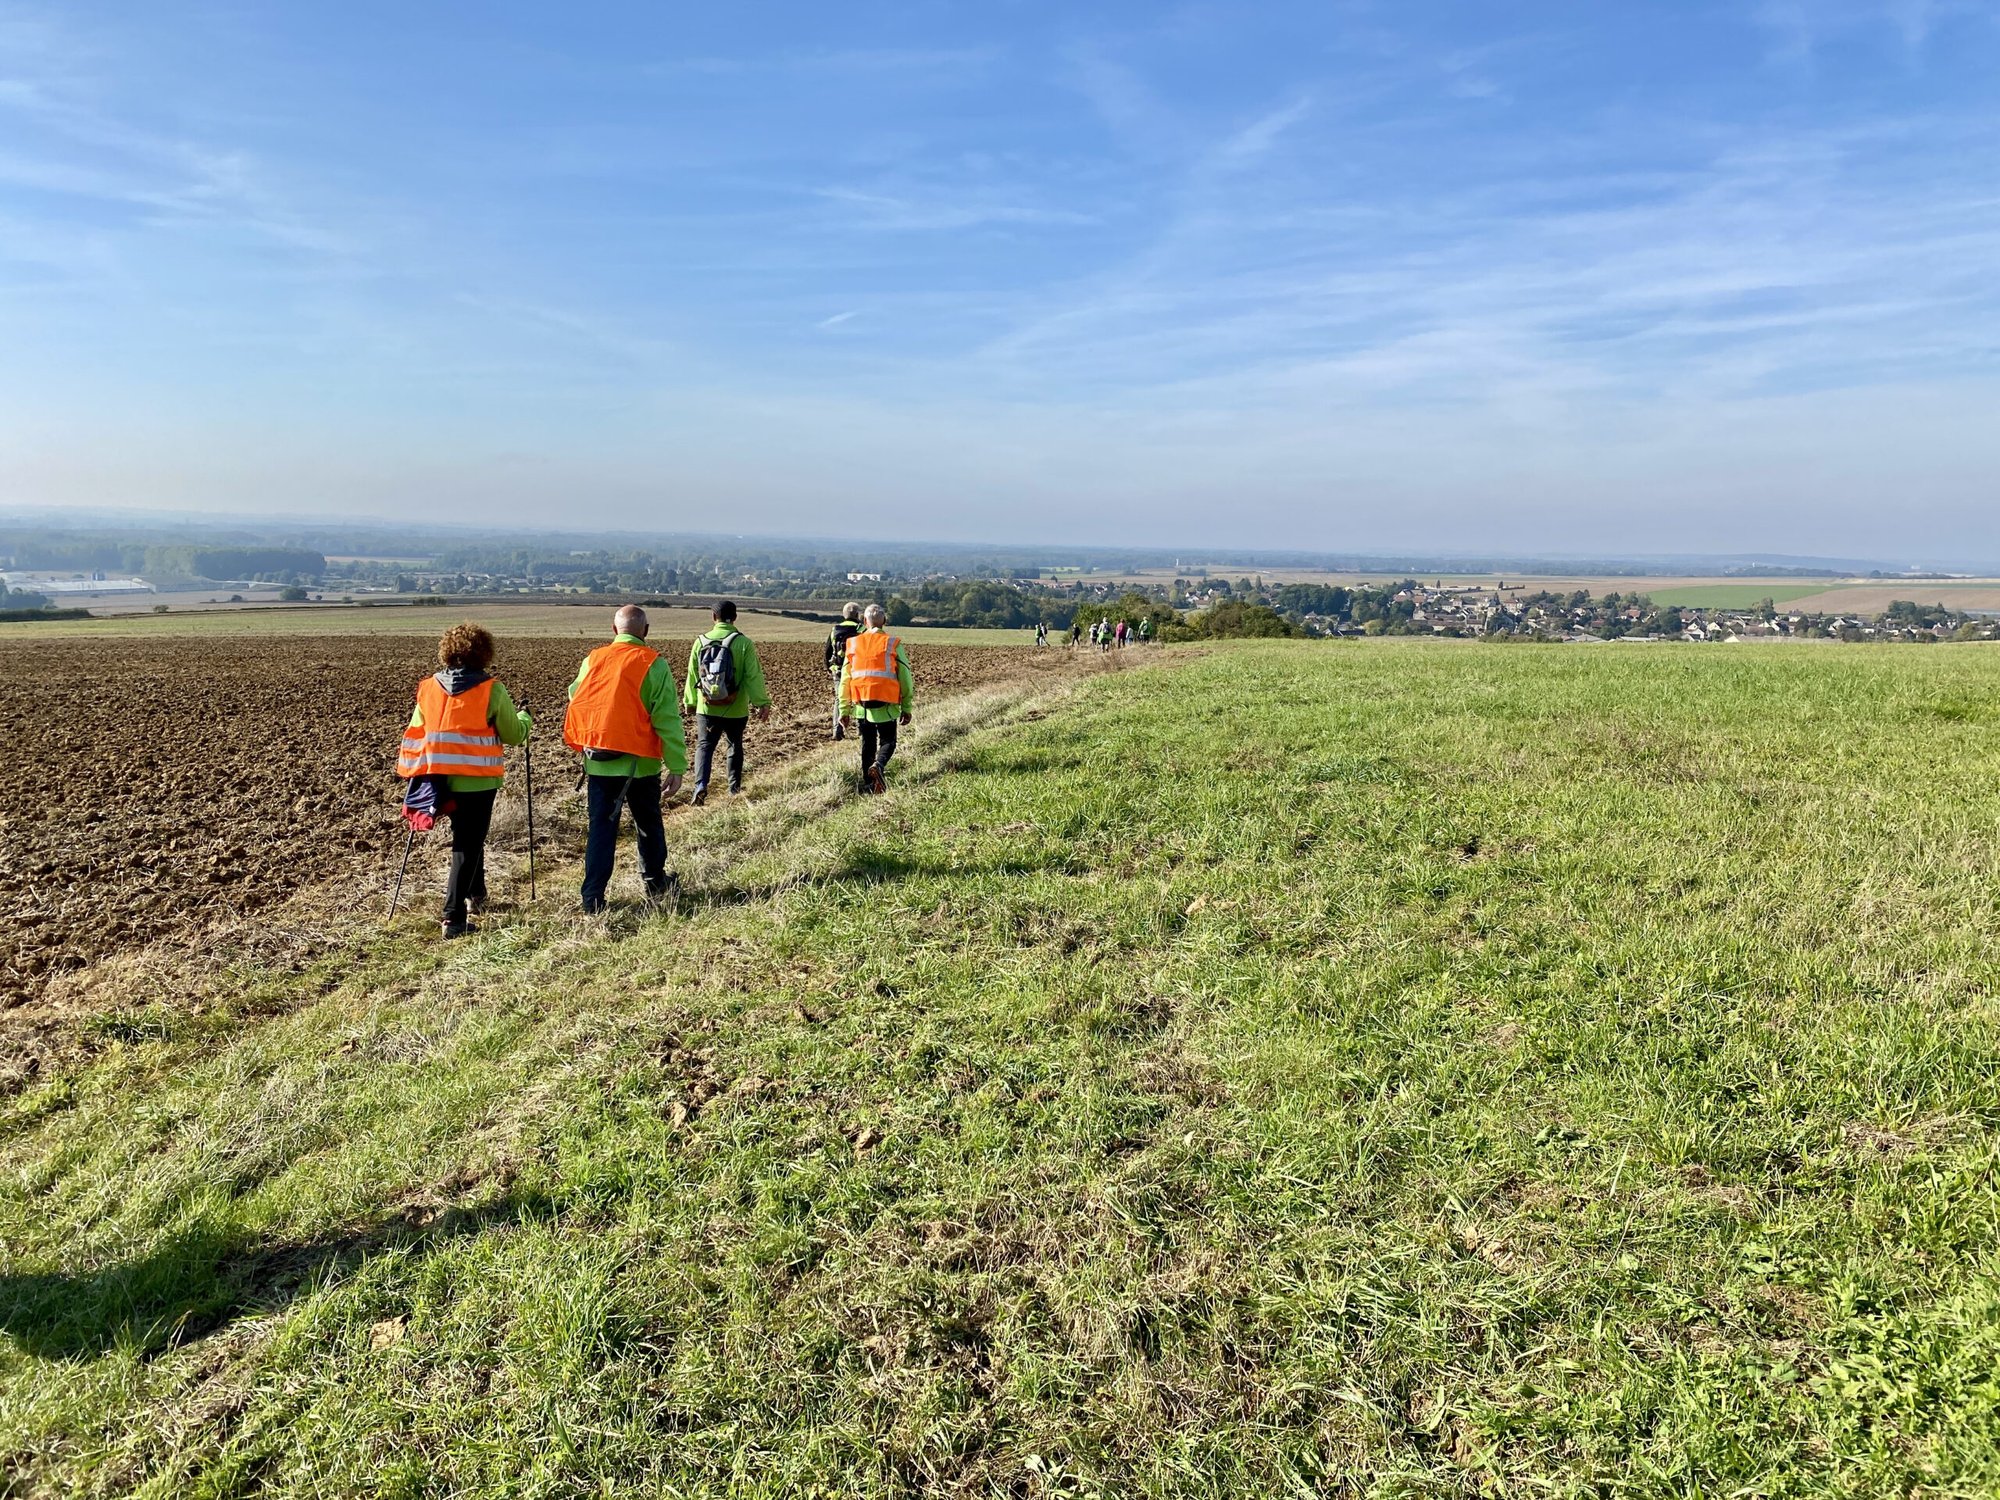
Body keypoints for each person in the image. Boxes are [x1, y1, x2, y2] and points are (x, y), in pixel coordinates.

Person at [397, 622, 530, 939]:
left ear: (448, 652)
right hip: (477, 781)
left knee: (468, 838)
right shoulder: (491, 689)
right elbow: (514, 734)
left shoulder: (428, 687)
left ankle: (477, 894)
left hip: (437, 780)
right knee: (467, 844)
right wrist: (525, 718)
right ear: (483, 654)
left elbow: (419, 731)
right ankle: (453, 917)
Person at [564, 605, 688, 915]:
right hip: (640, 765)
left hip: (599, 762)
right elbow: (667, 720)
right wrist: (677, 766)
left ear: (614, 629)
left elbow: (575, 695)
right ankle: (655, 882)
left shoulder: (592, 659)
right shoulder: (653, 664)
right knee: (647, 824)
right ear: (646, 631)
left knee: (601, 830)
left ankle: (592, 898)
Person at [683, 599, 772, 805]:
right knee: (734, 745)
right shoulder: (743, 643)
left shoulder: (701, 641)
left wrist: (690, 700)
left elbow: (691, 674)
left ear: (714, 617)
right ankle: (734, 788)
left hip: (707, 707)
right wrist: (762, 702)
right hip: (736, 707)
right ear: (735, 617)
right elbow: (753, 676)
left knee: (704, 746)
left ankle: (700, 785)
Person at [840, 603, 914, 794]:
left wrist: (843, 709)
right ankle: (879, 766)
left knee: (868, 743)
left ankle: (868, 784)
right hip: (886, 702)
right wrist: (906, 706)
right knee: (888, 741)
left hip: (861, 704)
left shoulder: (853, 643)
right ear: (885, 622)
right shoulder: (892, 643)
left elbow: (845, 680)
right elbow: (905, 677)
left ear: (865, 621)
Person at [825, 602, 863, 741]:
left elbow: (828, 651)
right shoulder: (862, 629)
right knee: (859, 698)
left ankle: (837, 731)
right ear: (858, 615)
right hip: (858, 669)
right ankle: (861, 729)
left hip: (839, 670)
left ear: (844, 615)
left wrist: (829, 667)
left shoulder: (835, 629)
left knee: (839, 699)